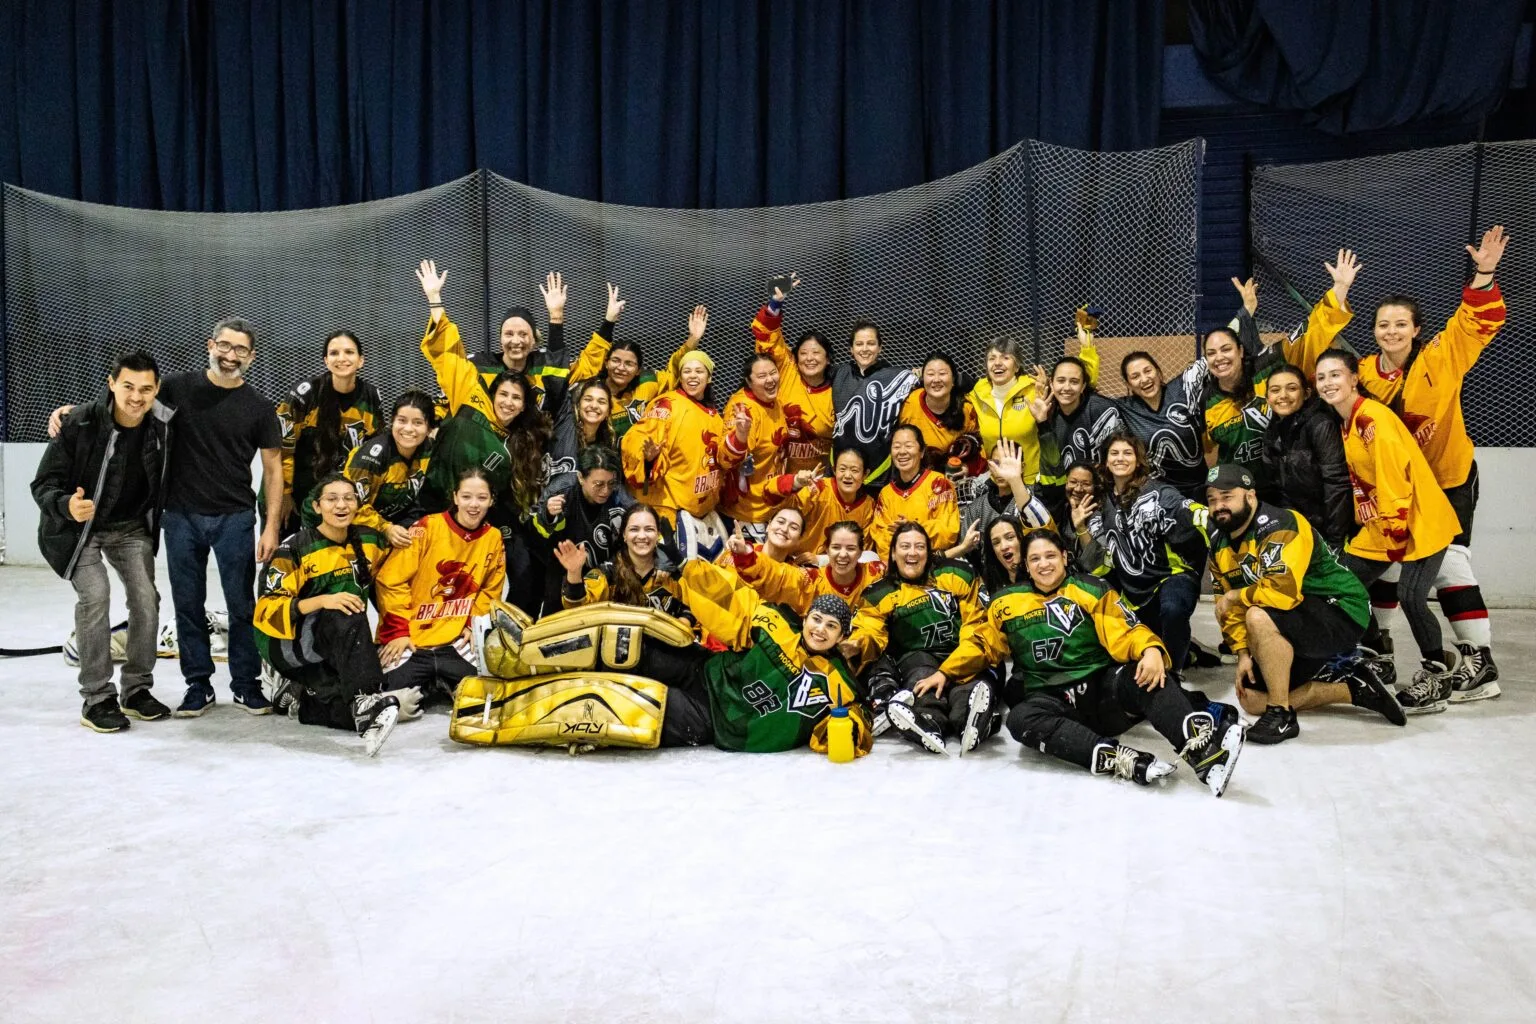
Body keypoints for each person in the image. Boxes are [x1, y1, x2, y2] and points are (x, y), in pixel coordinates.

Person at [47, 319, 286, 716]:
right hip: (180, 517)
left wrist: (271, 525)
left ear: (252, 356)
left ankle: (246, 684)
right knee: (187, 605)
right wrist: (73, 413)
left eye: (240, 349)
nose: (230, 355)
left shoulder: (260, 408)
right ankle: (198, 686)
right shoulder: (175, 388)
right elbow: (127, 405)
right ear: (210, 344)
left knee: (243, 605)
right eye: (224, 345)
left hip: (235, 519)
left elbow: (274, 470)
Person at [1356, 225, 1509, 696]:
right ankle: (1378, 649)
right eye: (1383, 324)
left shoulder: (1442, 356)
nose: (1391, 331)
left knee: (1449, 566)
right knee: (1381, 560)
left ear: (1417, 329)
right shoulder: (1364, 371)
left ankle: (1479, 662)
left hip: (1447, 480)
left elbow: (1474, 321)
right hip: (1395, 488)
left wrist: (1484, 273)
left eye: (1401, 324)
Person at [980, 529, 1243, 794]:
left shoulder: (1091, 588)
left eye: (1050, 555)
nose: (1044, 564)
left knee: (1145, 677)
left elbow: (1127, 630)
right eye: (1035, 559)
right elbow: (980, 645)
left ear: (1064, 556)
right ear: (1026, 565)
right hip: (1054, 703)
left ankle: (1205, 754)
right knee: (1019, 719)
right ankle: (1121, 759)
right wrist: (946, 674)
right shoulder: (1005, 601)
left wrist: (1150, 649)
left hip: (1103, 694)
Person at [1204, 463, 1406, 743]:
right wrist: (1242, 654)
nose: (1218, 506)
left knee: (1257, 616)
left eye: (1227, 497)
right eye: (1212, 500)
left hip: (1341, 611)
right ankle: (1353, 688)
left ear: (1250, 496)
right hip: (1296, 618)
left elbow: (1282, 593)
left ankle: (1281, 715)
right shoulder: (1219, 545)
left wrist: (1236, 595)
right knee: (1250, 699)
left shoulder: (1283, 523)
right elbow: (1225, 609)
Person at [1314, 349, 1464, 713]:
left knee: (1412, 597)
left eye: (1336, 375)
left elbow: (1396, 475)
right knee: (1345, 582)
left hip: (1419, 520)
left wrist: (1396, 530)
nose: (1328, 383)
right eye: (1321, 377)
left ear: (1354, 379)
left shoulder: (1372, 419)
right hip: (1384, 522)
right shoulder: (1347, 422)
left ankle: (1438, 674)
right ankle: (1376, 656)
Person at [33, 351, 173, 733]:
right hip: (81, 529)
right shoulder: (79, 422)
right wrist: (67, 505)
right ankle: (96, 697)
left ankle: (137, 689)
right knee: (96, 595)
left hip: (129, 527)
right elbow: (42, 484)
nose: (136, 397)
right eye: (128, 386)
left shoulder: (164, 424)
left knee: (146, 597)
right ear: (111, 384)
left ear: (157, 390)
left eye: (146, 389)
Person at [252, 475, 403, 756]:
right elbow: (265, 611)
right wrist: (322, 600)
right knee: (347, 610)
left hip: (335, 642)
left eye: (349, 498)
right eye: (332, 499)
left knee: (358, 712)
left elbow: (403, 570)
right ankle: (365, 699)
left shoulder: (369, 540)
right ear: (317, 506)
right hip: (284, 643)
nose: (341, 505)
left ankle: (306, 701)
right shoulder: (294, 547)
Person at [658, 558, 873, 753]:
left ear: (841, 637)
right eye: (816, 619)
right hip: (705, 675)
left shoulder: (839, 682)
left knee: (640, 707)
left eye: (831, 626)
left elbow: (858, 715)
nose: (820, 629)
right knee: (638, 654)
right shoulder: (780, 624)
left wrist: (852, 729)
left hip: (712, 722)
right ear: (806, 618)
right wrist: (687, 567)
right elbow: (734, 601)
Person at [1202, 258, 1357, 495]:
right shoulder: (1206, 400)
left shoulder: (1270, 366)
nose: (1219, 357)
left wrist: (1339, 290)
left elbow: (1309, 335)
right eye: (1211, 353)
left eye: (1226, 349)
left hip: (1289, 485)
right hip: (1241, 492)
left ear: (1241, 351)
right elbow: (1201, 446)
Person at [845, 522, 998, 756]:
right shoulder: (879, 592)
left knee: (970, 687)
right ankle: (929, 722)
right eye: (905, 546)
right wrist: (857, 644)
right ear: (894, 554)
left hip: (963, 654)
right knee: (920, 679)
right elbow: (870, 630)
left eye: (919, 547)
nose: (912, 552)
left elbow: (978, 628)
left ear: (929, 552)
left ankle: (971, 720)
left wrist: (949, 671)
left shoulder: (957, 574)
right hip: (919, 661)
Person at [415, 260, 550, 519]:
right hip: (433, 506)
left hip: (477, 521)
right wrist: (434, 300)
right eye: (504, 394)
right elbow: (448, 354)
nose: (508, 403)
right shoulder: (471, 394)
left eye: (516, 398)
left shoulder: (516, 446)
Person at [1072, 432, 1210, 677]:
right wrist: (1081, 528)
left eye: (1128, 453)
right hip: (1133, 589)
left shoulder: (1158, 492)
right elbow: (1099, 563)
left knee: (1173, 610)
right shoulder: (1102, 502)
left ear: (1138, 460)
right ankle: (1187, 652)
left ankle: (1174, 675)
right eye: (1114, 453)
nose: (1120, 458)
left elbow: (1194, 516)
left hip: (1171, 577)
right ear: (1104, 461)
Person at [375, 467, 507, 704]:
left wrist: (472, 624)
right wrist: (398, 631)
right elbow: (391, 580)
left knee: (489, 696)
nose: (473, 505)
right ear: (455, 497)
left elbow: (490, 590)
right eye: (466, 497)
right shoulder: (426, 527)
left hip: (454, 638)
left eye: (482, 498)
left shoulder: (494, 537)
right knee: (384, 696)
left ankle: (435, 682)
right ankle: (432, 682)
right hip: (412, 638)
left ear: (491, 501)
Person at [619, 345, 745, 560]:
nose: (693, 376)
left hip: (704, 515)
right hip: (669, 512)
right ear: (680, 376)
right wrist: (647, 457)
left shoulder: (714, 415)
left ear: (710, 377)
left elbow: (723, 461)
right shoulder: (668, 404)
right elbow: (637, 438)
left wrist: (741, 435)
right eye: (687, 371)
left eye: (699, 371)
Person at [275, 330, 381, 534]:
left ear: (361, 360)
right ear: (325, 360)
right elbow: (282, 448)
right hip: (296, 490)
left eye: (349, 352)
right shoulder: (304, 394)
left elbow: (372, 448)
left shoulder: (371, 395)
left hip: (340, 494)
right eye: (334, 353)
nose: (341, 358)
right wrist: (284, 494)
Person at [568, 282, 698, 438]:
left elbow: (676, 373)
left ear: (638, 370)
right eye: (616, 360)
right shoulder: (591, 389)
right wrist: (609, 320)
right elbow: (592, 355)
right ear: (606, 362)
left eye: (629, 364)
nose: (621, 368)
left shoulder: (648, 382)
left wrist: (693, 339)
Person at [1260, 365, 1353, 550]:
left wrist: (1335, 540)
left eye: (1292, 388)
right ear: (1268, 398)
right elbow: (1277, 487)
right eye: (1275, 390)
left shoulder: (1320, 424)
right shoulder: (1273, 429)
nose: (1283, 395)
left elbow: (1336, 484)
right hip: (1300, 525)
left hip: (1328, 528)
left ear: (1307, 393)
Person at [531, 444, 632, 611]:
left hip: (605, 566)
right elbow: (533, 534)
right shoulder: (561, 490)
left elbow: (643, 520)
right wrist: (547, 515)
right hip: (561, 564)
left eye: (611, 483)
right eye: (598, 484)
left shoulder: (619, 496)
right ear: (580, 477)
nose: (606, 490)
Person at [751, 274, 834, 474]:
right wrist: (775, 304)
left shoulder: (839, 386)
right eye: (803, 353)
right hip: (778, 477)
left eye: (816, 353)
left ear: (828, 358)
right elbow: (768, 340)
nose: (809, 358)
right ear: (795, 357)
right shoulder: (788, 372)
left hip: (821, 481)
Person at [554, 503, 690, 622]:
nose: (642, 536)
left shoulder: (672, 574)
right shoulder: (607, 574)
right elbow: (577, 607)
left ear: (657, 535)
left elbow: (693, 606)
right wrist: (574, 572)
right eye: (634, 529)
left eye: (649, 529)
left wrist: (685, 622)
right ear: (624, 535)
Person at [829, 313, 918, 489]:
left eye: (871, 343)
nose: (865, 349)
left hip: (879, 473)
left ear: (880, 348)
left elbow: (938, 380)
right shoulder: (838, 373)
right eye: (859, 344)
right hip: (840, 471)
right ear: (851, 349)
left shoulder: (900, 376)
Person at [339, 390, 436, 548]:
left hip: (393, 519)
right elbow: (350, 506)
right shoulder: (371, 456)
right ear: (392, 421)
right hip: (345, 521)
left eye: (418, 423)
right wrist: (386, 528)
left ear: (429, 428)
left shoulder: (430, 452)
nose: (408, 429)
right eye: (402, 421)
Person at [730, 520, 884, 615]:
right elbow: (778, 575)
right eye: (836, 547)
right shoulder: (811, 580)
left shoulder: (876, 573)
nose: (842, 555)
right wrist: (746, 555)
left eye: (850, 549)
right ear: (827, 550)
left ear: (860, 552)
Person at [469, 271, 569, 415]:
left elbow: (586, 365)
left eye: (523, 334)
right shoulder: (478, 366)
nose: (516, 341)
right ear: (500, 339)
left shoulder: (545, 363)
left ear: (534, 340)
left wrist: (556, 316)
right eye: (509, 334)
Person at [1034, 344, 1120, 507]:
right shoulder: (1047, 412)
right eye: (1061, 381)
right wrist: (1042, 422)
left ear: (1083, 386)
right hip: (1063, 496)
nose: (1066, 387)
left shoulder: (1102, 410)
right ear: (1051, 384)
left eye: (1074, 382)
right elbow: (1051, 464)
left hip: (1103, 497)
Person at [956, 438, 1055, 577]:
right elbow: (969, 557)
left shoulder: (1034, 499)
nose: (1001, 470)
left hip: (1035, 576)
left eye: (1008, 464)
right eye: (996, 464)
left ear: (1022, 467)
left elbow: (1046, 536)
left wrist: (1015, 480)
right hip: (993, 582)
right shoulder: (976, 508)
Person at [720, 348, 791, 527]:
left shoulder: (774, 401)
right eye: (761, 376)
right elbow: (726, 460)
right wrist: (741, 435)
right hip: (745, 515)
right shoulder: (744, 409)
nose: (770, 379)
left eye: (773, 373)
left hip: (771, 506)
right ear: (748, 382)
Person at [866, 425, 960, 557]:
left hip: (933, 561)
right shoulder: (886, 493)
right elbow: (881, 536)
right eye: (897, 447)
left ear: (921, 452)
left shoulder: (938, 483)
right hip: (896, 565)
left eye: (908, 446)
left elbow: (949, 531)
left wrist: (912, 528)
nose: (902, 452)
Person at [762, 447, 875, 555]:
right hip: (796, 561)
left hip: (839, 566)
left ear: (865, 474)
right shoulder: (817, 489)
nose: (847, 475)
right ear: (834, 470)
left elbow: (862, 551)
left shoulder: (868, 506)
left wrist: (822, 560)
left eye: (854, 470)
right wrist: (796, 482)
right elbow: (771, 497)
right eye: (842, 469)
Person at [969, 337, 1045, 481]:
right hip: (996, 481)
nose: (997, 363)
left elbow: (1081, 384)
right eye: (992, 358)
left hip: (1030, 481)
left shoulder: (1035, 390)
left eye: (1005, 358)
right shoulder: (976, 394)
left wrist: (1088, 350)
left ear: (1017, 366)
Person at [898, 352, 981, 474]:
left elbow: (980, 449)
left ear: (953, 379)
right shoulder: (908, 403)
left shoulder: (967, 408)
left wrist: (968, 468)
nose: (936, 380)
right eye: (930, 374)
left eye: (942, 374)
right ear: (923, 378)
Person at [544, 378, 619, 495]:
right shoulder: (564, 423)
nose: (594, 405)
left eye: (601, 402)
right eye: (588, 399)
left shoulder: (608, 445)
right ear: (578, 405)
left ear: (608, 411)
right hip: (541, 504)